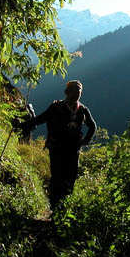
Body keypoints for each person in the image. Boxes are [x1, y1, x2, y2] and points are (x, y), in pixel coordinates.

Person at [18, 80, 96, 211]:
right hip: (58, 149)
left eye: (79, 92)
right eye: (75, 91)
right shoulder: (57, 107)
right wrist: (21, 125)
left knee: (70, 179)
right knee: (57, 178)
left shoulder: (82, 110)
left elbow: (92, 126)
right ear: (67, 92)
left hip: (72, 150)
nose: (77, 94)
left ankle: (63, 210)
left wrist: (85, 140)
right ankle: (55, 209)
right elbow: (40, 119)